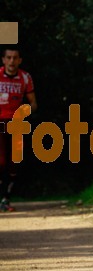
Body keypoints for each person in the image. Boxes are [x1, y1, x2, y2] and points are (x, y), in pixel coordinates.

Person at [0, 46, 37, 211]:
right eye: (8, 57)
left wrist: (24, 111)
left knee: (14, 163)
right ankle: (2, 198)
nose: (12, 61)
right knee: (1, 162)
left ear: (20, 60)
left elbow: (34, 103)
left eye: (15, 58)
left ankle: (6, 198)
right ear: (3, 60)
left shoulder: (25, 77)